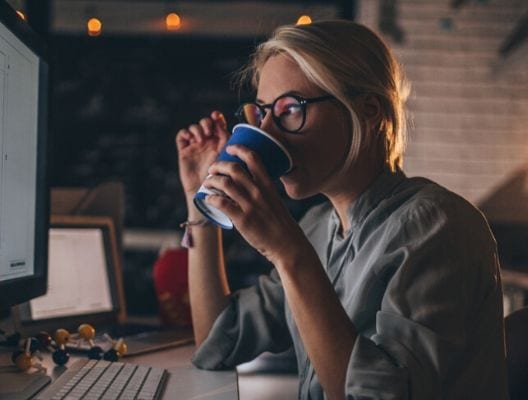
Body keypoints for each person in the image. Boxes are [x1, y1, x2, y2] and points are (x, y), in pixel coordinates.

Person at [175, 20, 508, 400]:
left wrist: (287, 252)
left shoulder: (438, 227)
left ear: (368, 112)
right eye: (263, 111)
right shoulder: (319, 227)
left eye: (290, 109)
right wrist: (199, 199)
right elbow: (217, 343)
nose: (267, 131)